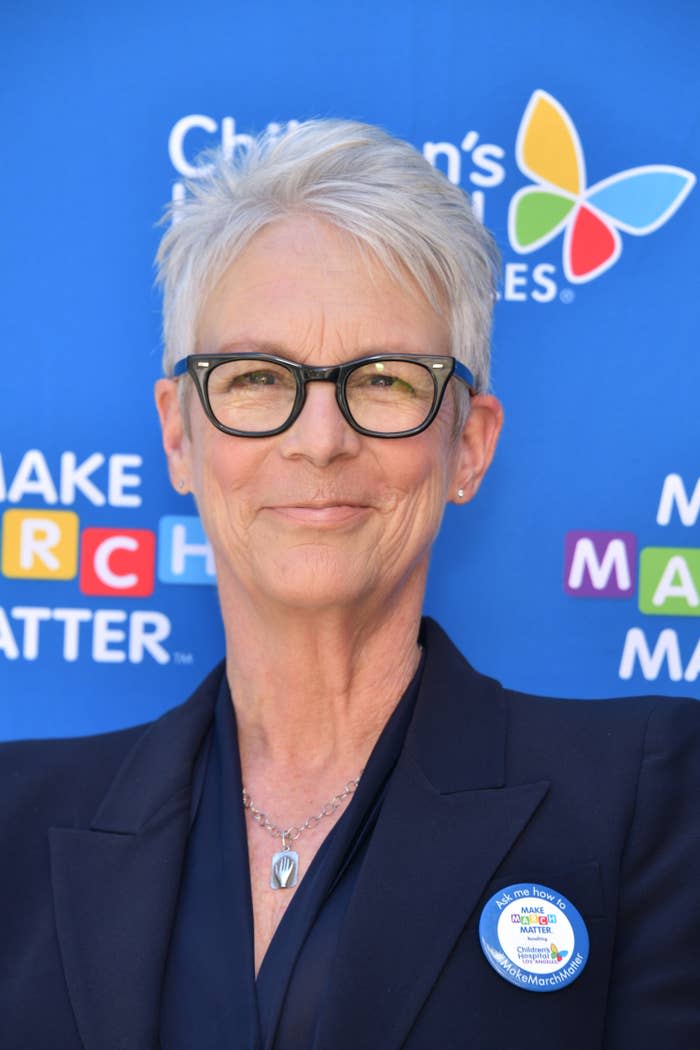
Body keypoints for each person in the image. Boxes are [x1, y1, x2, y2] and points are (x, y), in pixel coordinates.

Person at [1, 119, 699, 1050]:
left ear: (470, 444)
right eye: (254, 377)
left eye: (383, 381)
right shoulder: (15, 822)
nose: (320, 438)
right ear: (179, 435)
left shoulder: (644, 798)